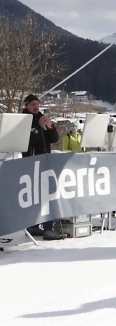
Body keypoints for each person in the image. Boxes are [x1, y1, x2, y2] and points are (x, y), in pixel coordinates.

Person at [22, 94, 64, 240]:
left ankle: (45, 226)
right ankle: (38, 226)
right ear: (26, 105)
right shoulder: (23, 120)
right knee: (36, 195)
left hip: (45, 160)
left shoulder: (41, 117)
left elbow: (54, 139)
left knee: (47, 194)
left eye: (37, 104)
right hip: (31, 162)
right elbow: (27, 142)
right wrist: (38, 128)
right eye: (32, 104)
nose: (36, 107)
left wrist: (50, 127)